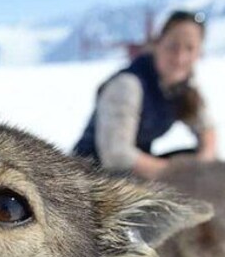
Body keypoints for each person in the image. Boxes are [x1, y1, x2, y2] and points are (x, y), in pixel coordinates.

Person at [73, 10, 216, 179]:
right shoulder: (127, 85)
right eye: (173, 46)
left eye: (190, 48)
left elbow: (206, 128)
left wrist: (204, 162)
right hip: (91, 183)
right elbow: (116, 155)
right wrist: (176, 174)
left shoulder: (182, 89)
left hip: (130, 180)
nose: (180, 57)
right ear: (157, 44)